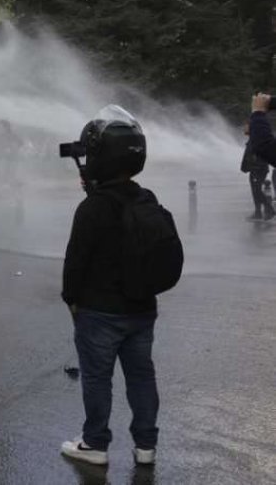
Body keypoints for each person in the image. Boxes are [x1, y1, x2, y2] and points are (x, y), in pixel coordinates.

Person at [60, 107, 171, 468]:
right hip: (142, 309)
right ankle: (146, 446)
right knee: (141, 376)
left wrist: (71, 301)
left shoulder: (92, 208)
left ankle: (95, 444)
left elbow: (75, 264)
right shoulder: (147, 198)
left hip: (99, 312)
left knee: (97, 378)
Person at [241, 121, 274, 220]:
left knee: (257, 191)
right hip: (255, 168)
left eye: (246, 127)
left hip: (258, 168)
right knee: (255, 191)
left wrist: (255, 166)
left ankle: (270, 209)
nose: (244, 129)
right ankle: (258, 212)